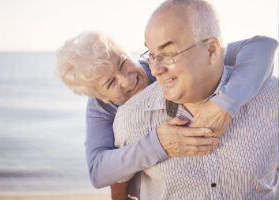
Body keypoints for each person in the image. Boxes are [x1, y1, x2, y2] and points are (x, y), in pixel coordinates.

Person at [112, 0, 278, 199]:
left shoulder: (271, 96)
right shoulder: (130, 117)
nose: (155, 69)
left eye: (167, 54)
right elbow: (119, 188)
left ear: (211, 51)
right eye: (152, 54)